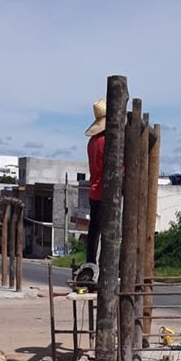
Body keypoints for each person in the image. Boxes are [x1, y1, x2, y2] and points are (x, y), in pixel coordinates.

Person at [84, 98, 106, 267]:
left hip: (94, 190)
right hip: (103, 191)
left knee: (94, 230)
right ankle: (98, 265)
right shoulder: (105, 141)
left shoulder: (92, 142)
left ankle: (91, 263)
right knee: (104, 232)